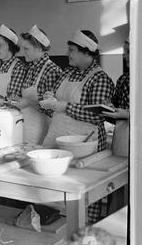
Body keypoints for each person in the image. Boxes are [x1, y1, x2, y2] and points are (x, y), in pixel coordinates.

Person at [41, 29, 115, 224]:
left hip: (83, 146)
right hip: (57, 137)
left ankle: (84, 235)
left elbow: (96, 115)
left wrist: (63, 105)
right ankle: (53, 237)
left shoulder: (100, 79)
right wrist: (50, 97)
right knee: (53, 191)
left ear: (87, 52)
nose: (68, 54)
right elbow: (54, 96)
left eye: (72, 50)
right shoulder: (67, 72)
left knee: (81, 195)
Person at [17, 25, 62, 145]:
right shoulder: (30, 68)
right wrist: (19, 99)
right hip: (26, 127)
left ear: (39, 48)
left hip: (42, 131)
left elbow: (53, 108)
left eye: (26, 49)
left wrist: (28, 102)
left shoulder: (51, 70)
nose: (23, 52)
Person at [103, 37, 130, 157]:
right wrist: (108, 105)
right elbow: (115, 104)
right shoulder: (123, 80)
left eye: (129, 52)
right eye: (125, 52)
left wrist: (127, 114)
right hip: (122, 136)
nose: (125, 56)